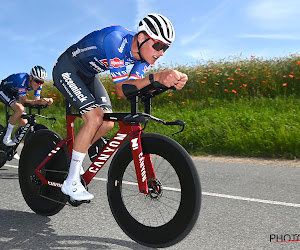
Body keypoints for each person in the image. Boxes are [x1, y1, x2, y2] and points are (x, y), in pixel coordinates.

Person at [52, 13, 188, 201]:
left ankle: (74, 156)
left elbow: (133, 87)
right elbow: (121, 90)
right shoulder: (116, 40)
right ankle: (71, 181)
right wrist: (156, 77)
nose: (161, 53)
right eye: (158, 45)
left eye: (166, 48)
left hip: (89, 75)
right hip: (67, 68)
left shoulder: (142, 57)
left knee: (107, 122)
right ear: (142, 38)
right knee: (94, 118)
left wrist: (165, 83)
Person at [0, 66, 53, 146]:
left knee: (24, 122)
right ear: (31, 77)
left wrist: (46, 101)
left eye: (41, 82)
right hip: (3, 90)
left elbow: (36, 100)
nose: (39, 84)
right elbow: (24, 101)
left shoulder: (39, 85)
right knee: (19, 109)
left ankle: (11, 147)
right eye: (37, 81)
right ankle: (6, 138)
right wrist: (39, 101)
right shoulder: (22, 79)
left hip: (15, 93)